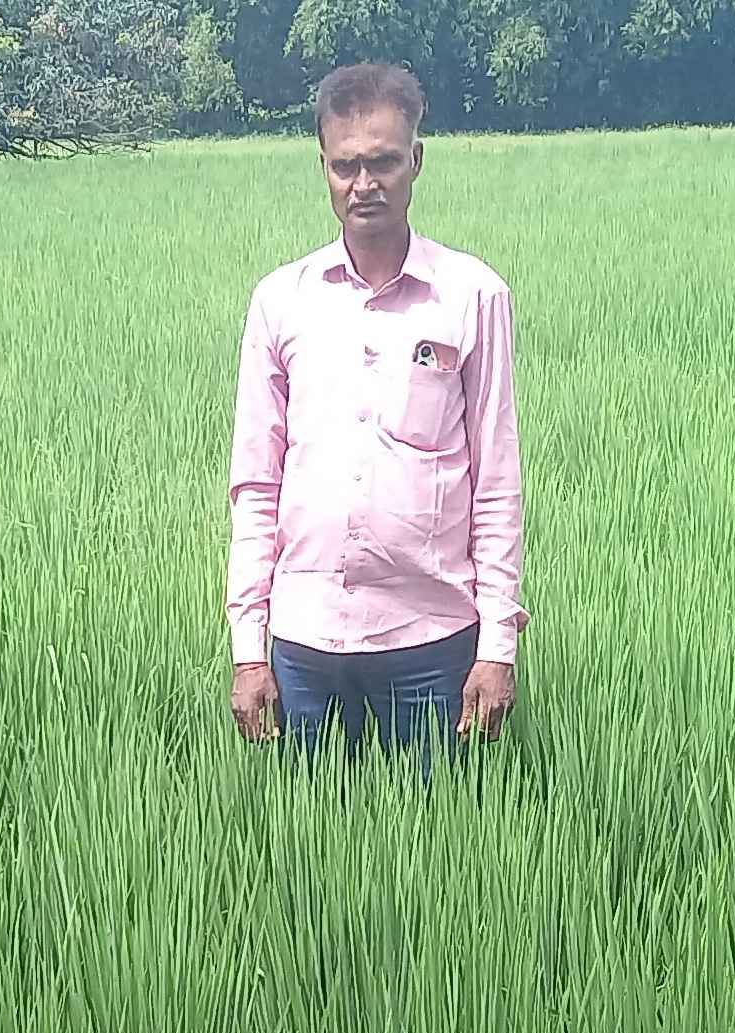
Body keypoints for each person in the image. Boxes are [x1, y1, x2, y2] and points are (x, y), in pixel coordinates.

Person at [225, 61, 526, 777]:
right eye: (346, 166)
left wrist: (497, 648)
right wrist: (248, 650)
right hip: (304, 643)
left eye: (384, 162)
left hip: (431, 640)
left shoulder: (471, 296)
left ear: (415, 160)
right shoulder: (281, 301)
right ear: (324, 169)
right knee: (305, 833)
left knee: (438, 834)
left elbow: (496, 484)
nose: (365, 183)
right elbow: (256, 486)